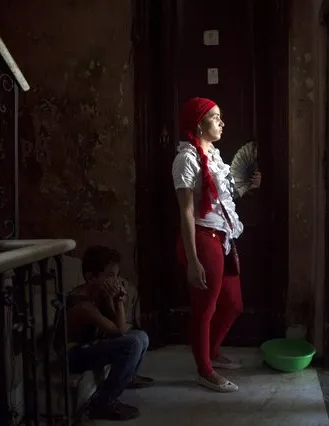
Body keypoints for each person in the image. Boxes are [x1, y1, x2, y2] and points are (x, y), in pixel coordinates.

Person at [172, 97, 261, 392]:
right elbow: (186, 211)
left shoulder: (214, 155)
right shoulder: (186, 159)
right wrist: (193, 259)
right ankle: (204, 370)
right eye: (215, 117)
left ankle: (211, 352)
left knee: (234, 304)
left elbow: (223, 199)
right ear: (199, 124)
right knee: (204, 309)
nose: (222, 123)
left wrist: (249, 187)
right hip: (202, 239)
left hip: (223, 238)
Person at [63, 245, 154, 421]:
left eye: (116, 275)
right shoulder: (82, 303)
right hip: (72, 355)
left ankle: (127, 377)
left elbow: (117, 325)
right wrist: (119, 301)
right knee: (132, 343)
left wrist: (116, 299)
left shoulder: (99, 294)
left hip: (90, 347)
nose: (116, 281)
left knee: (141, 336)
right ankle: (103, 402)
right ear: (91, 277)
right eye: (110, 276)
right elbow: (118, 332)